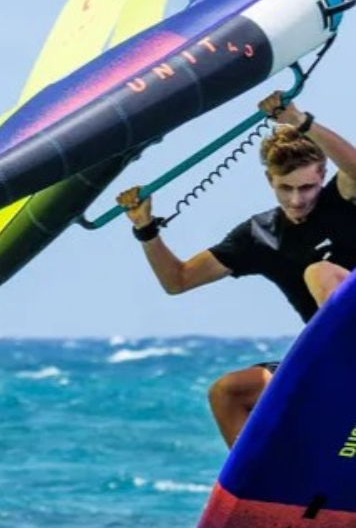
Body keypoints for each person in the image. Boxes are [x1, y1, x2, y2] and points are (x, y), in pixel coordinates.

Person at [121, 92, 356, 448]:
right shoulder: (258, 235)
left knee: (319, 274)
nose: (297, 200)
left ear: (322, 175)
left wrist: (300, 122)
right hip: (332, 364)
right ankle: (266, 494)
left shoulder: (340, 199)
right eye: (285, 188)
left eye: (307, 186)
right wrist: (146, 229)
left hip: (342, 351)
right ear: (269, 182)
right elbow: (177, 280)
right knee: (228, 392)